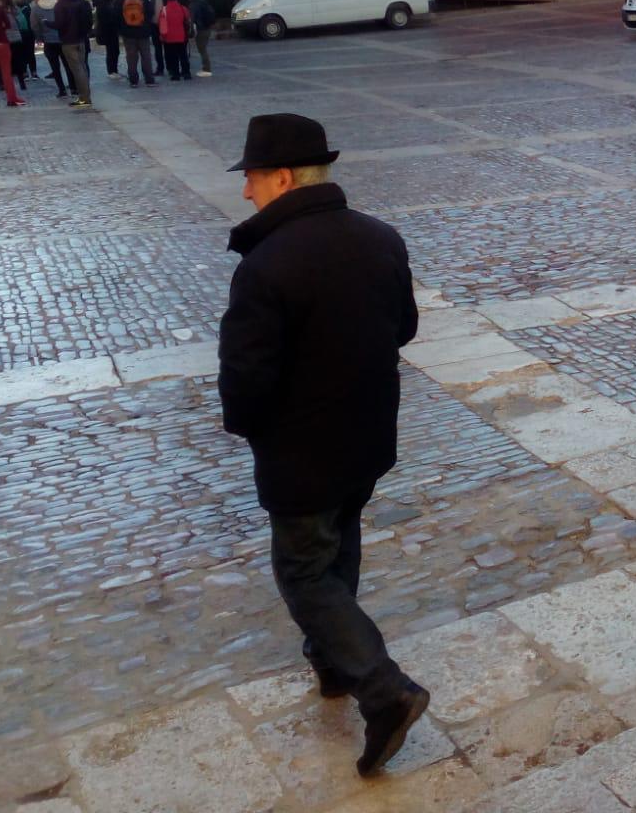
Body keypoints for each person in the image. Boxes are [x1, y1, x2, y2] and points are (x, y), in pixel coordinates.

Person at [219, 114, 427, 778]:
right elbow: (405, 326)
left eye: (251, 178)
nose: (246, 193)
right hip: (367, 436)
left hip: (302, 450)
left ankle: (383, 689)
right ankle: (333, 665)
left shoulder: (266, 266)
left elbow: (246, 383)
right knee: (340, 541)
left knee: (304, 571)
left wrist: (252, 427)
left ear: (282, 177)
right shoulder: (380, 237)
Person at [53, 0, 95, 108]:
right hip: (81, 39)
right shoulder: (81, 4)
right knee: (82, 67)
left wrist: (47, 23)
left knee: (77, 70)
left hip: (68, 41)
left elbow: (59, 24)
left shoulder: (61, 5)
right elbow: (89, 21)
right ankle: (86, 95)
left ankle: (84, 98)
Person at [30, 0, 70, 97]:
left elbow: (34, 25)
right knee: (67, 65)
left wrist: (39, 37)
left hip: (48, 41)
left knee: (55, 67)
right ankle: (73, 87)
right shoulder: (60, 4)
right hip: (63, 39)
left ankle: (61, 89)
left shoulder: (36, 8)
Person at [117, 0, 156, 86]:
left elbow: (116, 14)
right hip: (143, 32)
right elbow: (150, 12)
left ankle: (133, 80)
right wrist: (146, 24)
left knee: (131, 57)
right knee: (146, 56)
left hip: (128, 33)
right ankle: (149, 79)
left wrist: (122, 28)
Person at [158, 0, 193, 81]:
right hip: (182, 36)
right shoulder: (183, 8)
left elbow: (162, 25)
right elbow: (188, 20)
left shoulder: (164, 10)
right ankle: (186, 73)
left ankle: (175, 74)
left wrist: (162, 36)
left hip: (169, 38)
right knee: (183, 55)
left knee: (173, 57)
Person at [95, 0, 122, 80]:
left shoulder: (111, 2)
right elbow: (103, 18)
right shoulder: (102, 4)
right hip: (107, 31)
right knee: (111, 51)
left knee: (116, 51)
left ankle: (115, 70)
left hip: (113, 30)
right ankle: (111, 71)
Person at [10, 0, 37, 85]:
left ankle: (26, 72)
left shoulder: (13, 10)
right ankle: (33, 72)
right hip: (28, 33)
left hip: (21, 33)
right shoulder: (28, 8)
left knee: (22, 54)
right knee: (30, 53)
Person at [187, 0, 215, 77]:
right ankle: (206, 68)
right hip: (208, 27)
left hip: (201, 29)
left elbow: (192, 19)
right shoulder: (203, 1)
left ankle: (206, 69)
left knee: (202, 49)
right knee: (203, 48)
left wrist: (190, 32)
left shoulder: (193, 5)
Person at [148, 0, 167, 76]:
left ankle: (171, 67)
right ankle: (160, 68)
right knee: (157, 48)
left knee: (168, 47)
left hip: (166, 25)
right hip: (154, 25)